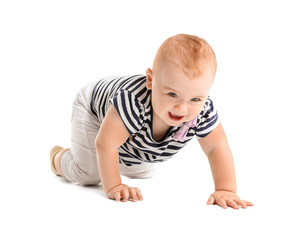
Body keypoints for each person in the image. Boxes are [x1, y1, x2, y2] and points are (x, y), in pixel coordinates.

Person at [50, 34, 253, 209]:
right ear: (151, 80)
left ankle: (116, 159)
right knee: (89, 174)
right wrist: (113, 186)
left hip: (130, 131)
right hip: (94, 109)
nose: (182, 108)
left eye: (195, 99)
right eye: (172, 94)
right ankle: (59, 158)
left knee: (143, 171)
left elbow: (217, 147)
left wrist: (225, 189)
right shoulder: (133, 102)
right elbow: (106, 143)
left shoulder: (203, 111)